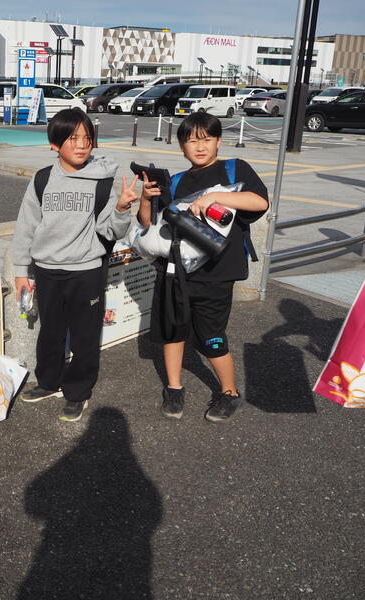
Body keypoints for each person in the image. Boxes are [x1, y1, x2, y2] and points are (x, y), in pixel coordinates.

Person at [137, 111, 269, 422]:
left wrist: (218, 196)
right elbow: (149, 223)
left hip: (217, 273)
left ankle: (230, 392)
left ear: (218, 141)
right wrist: (144, 198)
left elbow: (260, 203)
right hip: (175, 270)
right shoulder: (177, 181)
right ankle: (174, 388)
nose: (199, 146)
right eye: (191, 141)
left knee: (211, 336)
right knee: (173, 330)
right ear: (181, 146)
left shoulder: (235, 168)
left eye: (206, 139)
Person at [11, 108, 139, 422]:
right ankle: (49, 382)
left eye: (87, 138)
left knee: (84, 337)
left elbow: (111, 231)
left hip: (86, 271)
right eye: (72, 138)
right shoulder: (42, 179)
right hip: (47, 270)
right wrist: (20, 271)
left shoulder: (103, 181)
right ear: (55, 144)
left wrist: (122, 209)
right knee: (50, 331)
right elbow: (26, 226)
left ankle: (78, 392)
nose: (82, 144)